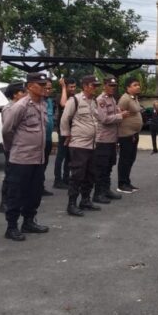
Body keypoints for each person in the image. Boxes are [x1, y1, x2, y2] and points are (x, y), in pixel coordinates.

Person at [1, 72, 50, 241]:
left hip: (38, 157)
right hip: (21, 158)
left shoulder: (42, 104)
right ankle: (12, 226)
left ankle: (29, 221)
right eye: (41, 85)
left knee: (34, 192)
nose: (45, 88)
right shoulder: (20, 106)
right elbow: (7, 130)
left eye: (45, 85)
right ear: (30, 86)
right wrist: (12, 148)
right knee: (16, 193)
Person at [61, 75, 101, 216]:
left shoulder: (93, 101)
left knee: (90, 174)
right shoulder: (75, 100)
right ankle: (71, 204)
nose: (95, 88)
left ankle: (85, 200)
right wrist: (67, 135)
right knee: (77, 174)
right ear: (85, 86)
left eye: (96, 85)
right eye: (93, 85)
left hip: (92, 144)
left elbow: (96, 119)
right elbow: (65, 118)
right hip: (79, 144)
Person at [93, 77, 126, 203]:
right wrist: (120, 116)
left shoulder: (112, 99)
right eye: (111, 85)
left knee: (109, 167)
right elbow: (104, 119)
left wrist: (119, 113)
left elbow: (115, 113)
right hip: (103, 140)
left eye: (114, 86)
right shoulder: (100, 100)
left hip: (112, 139)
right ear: (104, 86)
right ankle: (98, 193)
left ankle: (106, 190)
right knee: (101, 167)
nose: (113, 88)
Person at [0, 82, 27, 213]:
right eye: (22, 92)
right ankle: (4, 202)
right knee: (10, 174)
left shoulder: (23, 106)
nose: (25, 94)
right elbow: (8, 130)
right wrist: (10, 146)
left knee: (19, 175)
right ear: (15, 95)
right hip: (12, 146)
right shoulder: (9, 108)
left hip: (22, 146)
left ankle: (16, 200)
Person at [117, 77, 143, 193]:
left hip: (134, 134)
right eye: (135, 85)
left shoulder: (134, 98)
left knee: (131, 158)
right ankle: (121, 184)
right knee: (125, 159)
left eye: (138, 84)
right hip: (126, 134)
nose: (138, 86)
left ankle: (127, 182)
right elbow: (118, 113)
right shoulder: (124, 99)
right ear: (128, 87)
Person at [53, 77, 76, 189]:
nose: (73, 89)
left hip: (72, 131)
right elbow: (63, 104)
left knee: (69, 157)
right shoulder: (60, 96)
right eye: (70, 87)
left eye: (74, 87)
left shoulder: (74, 97)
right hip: (63, 131)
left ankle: (66, 178)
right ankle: (57, 180)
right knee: (60, 156)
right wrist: (62, 87)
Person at [41, 80, 55, 197]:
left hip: (48, 139)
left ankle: (40, 186)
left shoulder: (49, 101)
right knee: (36, 165)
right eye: (45, 88)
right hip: (37, 141)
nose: (48, 90)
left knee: (44, 163)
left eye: (50, 88)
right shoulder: (35, 101)